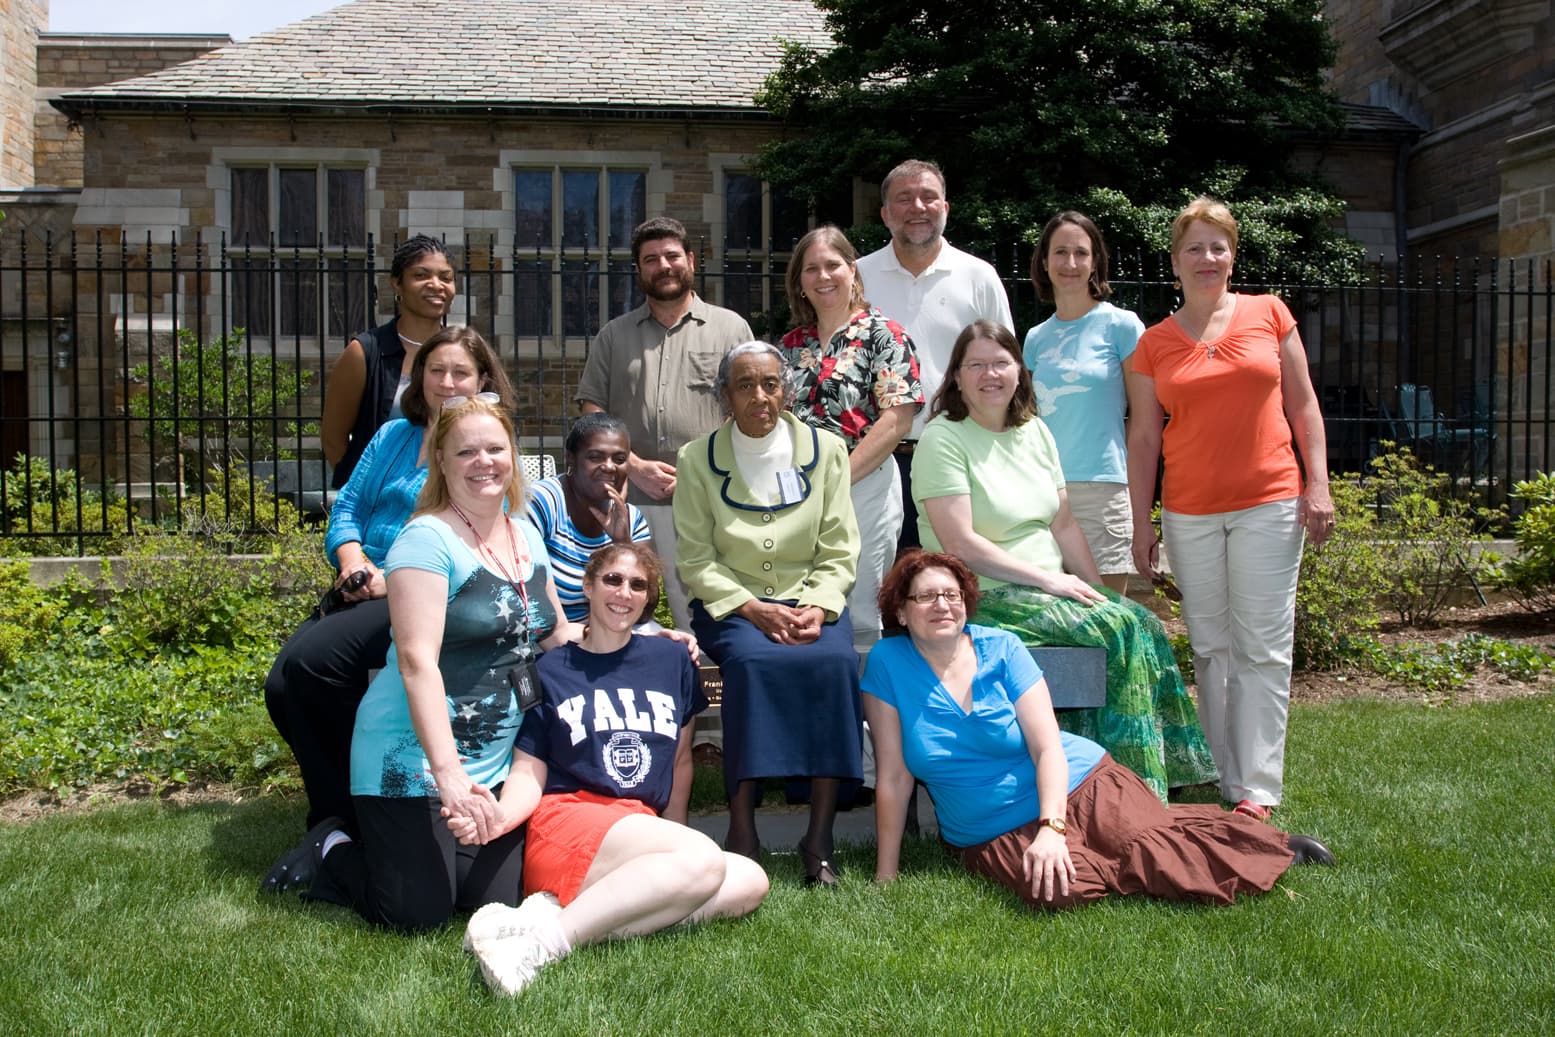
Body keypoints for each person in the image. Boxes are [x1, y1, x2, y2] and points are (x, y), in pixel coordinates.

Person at [863, 551, 1334, 911]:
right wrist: (886, 877)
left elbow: (1048, 748)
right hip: (989, 828)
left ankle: (1272, 848)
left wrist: (1051, 829)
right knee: (1063, 889)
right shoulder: (888, 663)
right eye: (926, 596)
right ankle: (1157, 835)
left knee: (1155, 853)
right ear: (901, 613)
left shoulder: (1002, 648)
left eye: (952, 595)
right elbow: (894, 776)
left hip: (1079, 782)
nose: (943, 605)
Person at [276, 397, 580, 930]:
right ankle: (334, 848)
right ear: (440, 460)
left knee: (492, 900)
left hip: (491, 760)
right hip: (411, 758)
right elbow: (417, 664)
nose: (484, 461)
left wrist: (644, 635)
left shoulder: (525, 533)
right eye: (466, 451)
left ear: (513, 453)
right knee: (417, 915)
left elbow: (554, 630)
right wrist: (450, 777)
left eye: (495, 448)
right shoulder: (425, 538)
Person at [912, 319, 1217, 801]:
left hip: (1044, 590)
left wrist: (1094, 591)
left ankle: (1155, 777)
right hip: (986, 597)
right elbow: (961, 544)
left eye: (1000, 362)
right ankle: (1132, 790)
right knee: (1120, 632)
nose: (990, 374)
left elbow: (1064, 525)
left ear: (1019, 371)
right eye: (976, 365)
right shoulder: (943, 439)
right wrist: (1053, 583)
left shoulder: (1035, 431)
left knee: (1137, 621)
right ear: (956, 377)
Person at [455, 544, 769, 997]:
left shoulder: (673, 660)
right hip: (569, 819)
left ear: (648, 600)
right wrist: (500, 818)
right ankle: (541, 948)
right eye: (613, 580)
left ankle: (545, 920)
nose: (624, 593)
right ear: (587, 586)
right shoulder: (546, 670)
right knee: (702, 863)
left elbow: (680, 762)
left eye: (638, 585)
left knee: (748, 881)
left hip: (638, 827)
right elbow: (528, 771)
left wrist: (673, 841)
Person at [262, 326, 515, 859]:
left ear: (483, 380)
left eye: (460, 372)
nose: (447, 382)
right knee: (284, 686)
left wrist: (388, 578)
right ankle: (342, 809)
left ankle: (340, 820)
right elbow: (348, 507)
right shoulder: (391, 436)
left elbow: (478, 537)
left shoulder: (482, 448)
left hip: (426, 596)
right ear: (418, 378)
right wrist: (352, 559)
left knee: (312, 666)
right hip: (362, 585)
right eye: (435, 370)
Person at [1127, 196, 1334, 820]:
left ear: (1233, 255)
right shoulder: (1153, 344)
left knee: (1263, 646)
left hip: (1269, 502)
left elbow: (1304, 406)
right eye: (1195, 247)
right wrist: (1144, 523)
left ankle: (1257, 790)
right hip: (1189, 510)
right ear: (1175, 260)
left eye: (1218, 246)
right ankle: (1225, 771)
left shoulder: (1270, 314)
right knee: (1212, 646)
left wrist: (1317, 484)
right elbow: (1143, 437)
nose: (1207, 257)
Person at [672, 342, 862, 883]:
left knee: (835, 665)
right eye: (745, 385)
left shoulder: (826, 451)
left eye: (771, 383)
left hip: (810, 600)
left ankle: (819, 839)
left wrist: (820, 606)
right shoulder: (695, 460)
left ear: (788, 389)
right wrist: (751, 608)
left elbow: (840, 546)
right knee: (753, 667)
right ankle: (742, 830)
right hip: (732, 605)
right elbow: (696, 558)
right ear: (725, 396)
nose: (760, 396)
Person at [576, 216, 754, 630]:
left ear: (691, 260)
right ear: (639, 269)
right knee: (623, 603)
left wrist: (695, 472)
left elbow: (748, 413)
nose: (664, 265)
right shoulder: (614, 336)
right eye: (651, 259)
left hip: (710, 496)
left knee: (704, 604)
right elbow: (592, 411)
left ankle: (709, 689)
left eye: (672, 255)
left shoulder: (731, 329)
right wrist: (634, 466)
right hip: (628, 500)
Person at [855, 159, 1014, 552]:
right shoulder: (857, 278)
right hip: (878, 462)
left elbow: (1008, 374)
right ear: (885, 214)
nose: (918, 207)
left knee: (955, 584)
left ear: (945, 208)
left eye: (929, 197)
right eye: (904, 199)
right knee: (882, 587)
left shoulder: (978, 277)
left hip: (961, 456)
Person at [779, 224, 923, 652]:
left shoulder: (885, 335)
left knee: (860, 610)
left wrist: (837, 479)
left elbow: (898, 419)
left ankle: (862, 716)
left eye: (832, 265)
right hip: (797, 491)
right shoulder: (789, 346)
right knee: (802, 598)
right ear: (799, 282)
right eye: (811, 269)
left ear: (852, 271)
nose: (823, 276)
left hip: (865, 487)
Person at [1024, 211, 1145, 594]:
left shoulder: (1123, 326)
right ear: (1044, 261)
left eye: (1081, 252)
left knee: (1106, 613)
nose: (1070, 263)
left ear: (1095, 261)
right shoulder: (1035, 338)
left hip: (1101, 489)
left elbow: (1143, 419)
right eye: (1060, 252)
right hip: (1043, 491)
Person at [321, 235, 457, 489]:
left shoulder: (462, 353)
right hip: (382, 504)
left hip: (452, 500)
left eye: (446, 277)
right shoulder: (364, 353)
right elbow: (332, 437)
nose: (436, 285)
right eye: (421, 275)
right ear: (397, 284)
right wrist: (364, 493)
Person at [525, 412, 653, 623]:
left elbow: (645, 611)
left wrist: (623, 544)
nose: (609, 466)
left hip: (607, 634)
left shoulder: (631, 518)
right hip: (545, 637)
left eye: (619, 459)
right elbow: (522, 595)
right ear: (571, 458)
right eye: (595, 457)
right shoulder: (542, 502)